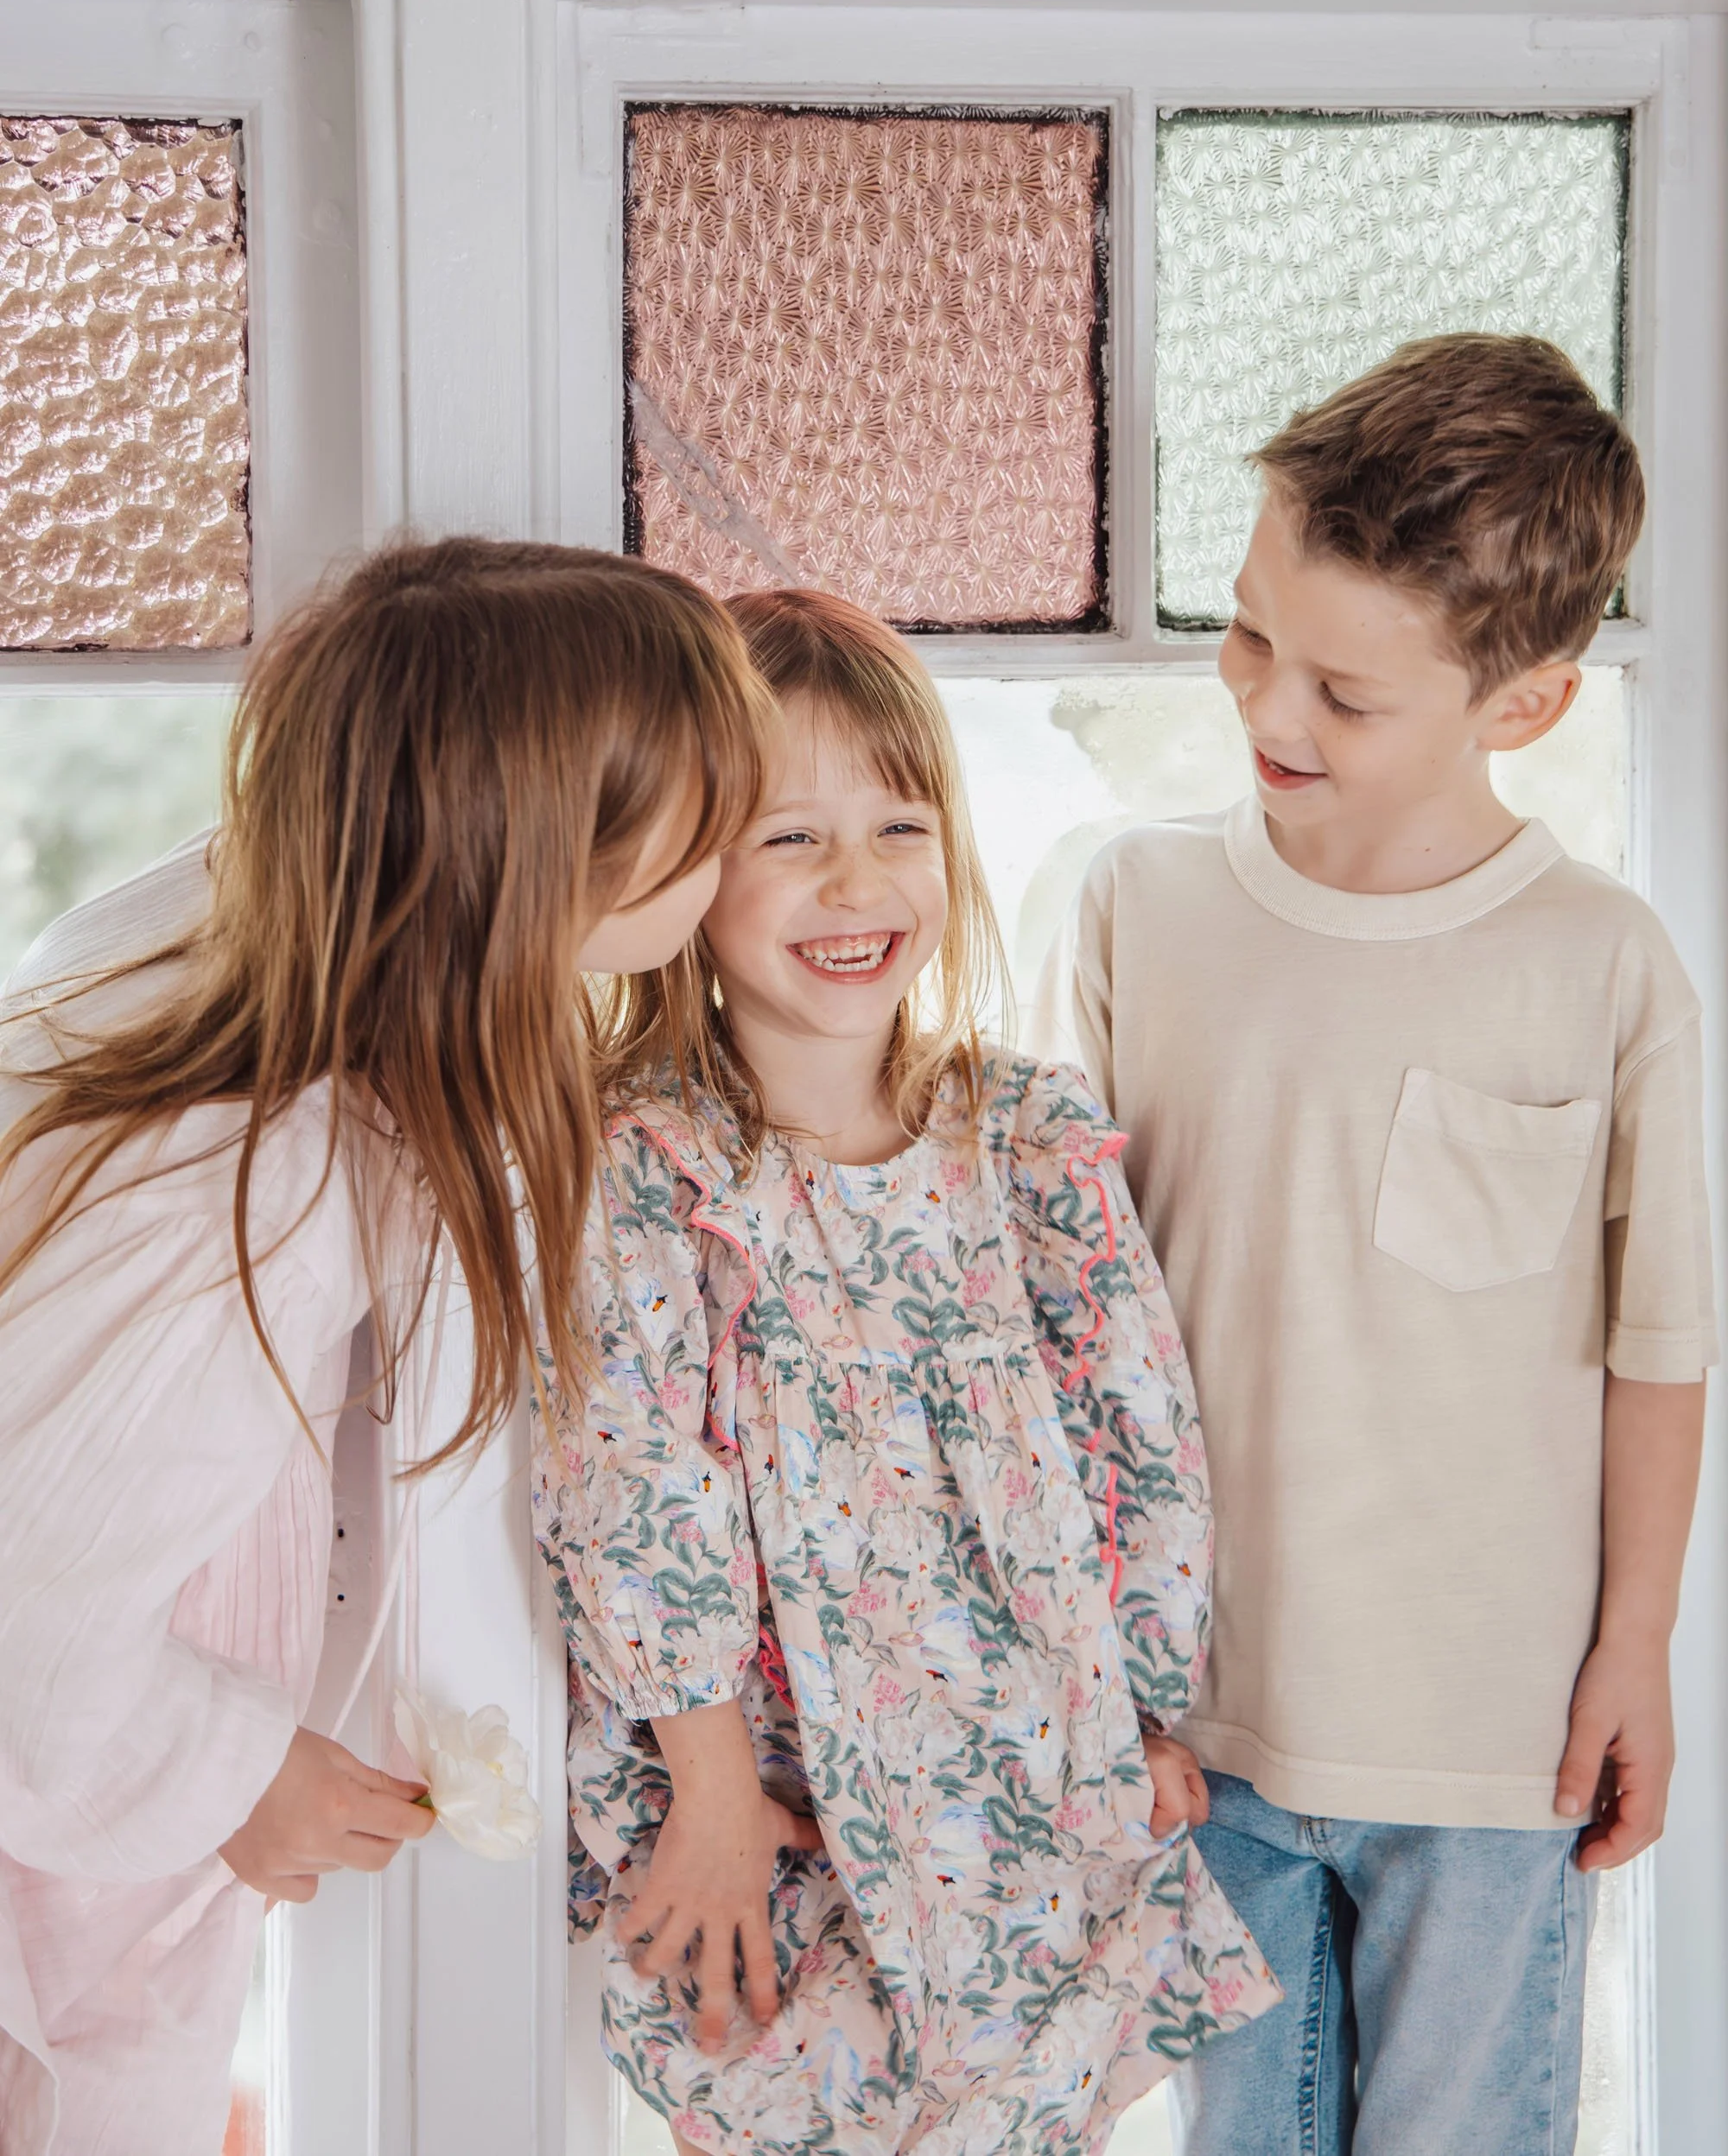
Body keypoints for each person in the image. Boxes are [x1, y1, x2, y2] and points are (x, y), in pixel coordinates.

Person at [0, 537, 775, 2156]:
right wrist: (236, 1778)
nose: (743, 867)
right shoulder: (257, 1177)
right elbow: (31, 1636)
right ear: (559, 873)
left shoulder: (237, 962)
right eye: (715, 831)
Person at [1039, 335, 1715, 2154]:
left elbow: (1658, 1344)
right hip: (1205, 1722)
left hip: (1489, 1744)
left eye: (1342, 688)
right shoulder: (1139, 906)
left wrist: (1634, 1640)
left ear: (1524, 705)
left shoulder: (1601, 960)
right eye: (1251, 635)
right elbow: (1064, 1316)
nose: (1266, 710)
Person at [533, 588, 1279, 2156]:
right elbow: (637, 1493)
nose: (855, 881)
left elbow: (1142, 1441)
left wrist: (1140, 1708)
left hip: (1023, 1773)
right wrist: (716, 1792)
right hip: (764, 1795)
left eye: (897, 825)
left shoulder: (1027, 1134)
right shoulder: (651, 1163)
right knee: (776, 2101)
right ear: (679, 874)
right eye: (789, 839)